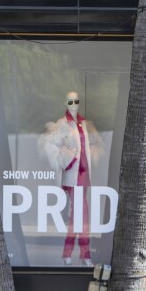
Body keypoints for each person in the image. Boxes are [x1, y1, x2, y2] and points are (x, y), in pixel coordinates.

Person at [39, 91, 104, 267]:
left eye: (76, 101)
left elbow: (96, 143)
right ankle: (84, 254)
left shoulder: (84, 123)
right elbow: (49, 144)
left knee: (77, 215)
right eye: (70, 101)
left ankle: (68, 253)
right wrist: (67, 154)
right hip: (72, 175)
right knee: (82, 214)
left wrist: (90, 154)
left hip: (84, 174)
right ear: (66, 102)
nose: (73, 104)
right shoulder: (62, 124)